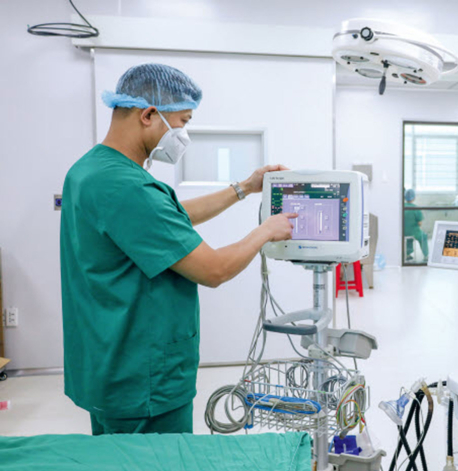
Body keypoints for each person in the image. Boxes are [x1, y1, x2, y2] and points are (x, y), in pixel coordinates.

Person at [60, 63, 297, 435]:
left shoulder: (90, 170)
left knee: (114, 460)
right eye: (183, 122)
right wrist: (267, 231)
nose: (183, 134)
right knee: (159, 463)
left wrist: (244, 188)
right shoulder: (128, 187)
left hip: (106, 362)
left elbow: (165, 219)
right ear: (149, 115)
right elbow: (214, 270)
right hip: (142, 378)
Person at [403, 189, 428, 261]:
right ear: (414, 198)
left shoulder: (402, 207)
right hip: (414, 231)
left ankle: (407, 254)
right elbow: (419, 223)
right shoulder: (415, 208)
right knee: (423, 236)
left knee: (408, 239)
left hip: (403, 231)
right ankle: (426, 255)